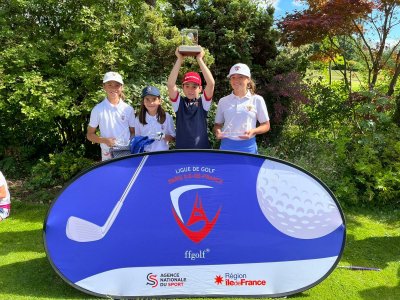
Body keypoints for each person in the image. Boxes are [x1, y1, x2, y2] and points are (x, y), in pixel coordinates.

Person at [214, 63, 270, 154]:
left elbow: (266, 125)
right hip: (226, 147)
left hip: (248, 147)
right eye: (233, 77)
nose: (236, 80)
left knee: (249, 169)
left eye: (240, 77)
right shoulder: (223, 101)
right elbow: (217, 125)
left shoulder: (257, 100)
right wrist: (218, 132)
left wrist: (253, 131)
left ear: (248, 79)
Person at [167, 47, 215, 149]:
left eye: (194, 87)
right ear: (182, 88)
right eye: (187, 86)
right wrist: (179, 59)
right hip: (182, 151)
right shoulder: (179, 103)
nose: (190, 89)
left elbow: (211, 84)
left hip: (202, 150)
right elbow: (171, 85)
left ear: (200, 89)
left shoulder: (204, 103)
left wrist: (200, 59)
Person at [87, 72, 135, 161]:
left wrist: (130, 145)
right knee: (111, 175)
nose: (113, 88)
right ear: (104, 87)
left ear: (122, 87)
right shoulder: (98, 109)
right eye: (109, 85)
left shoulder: (128, 109)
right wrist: (105, 140)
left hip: (127, 152)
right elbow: (90, 135)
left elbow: (133, 132)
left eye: (117, 85)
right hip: (107, 154)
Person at [133, 86, 176, 152]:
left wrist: (162, 136)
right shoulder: (139, 118)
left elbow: (173, 137)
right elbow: (137, 138)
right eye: (147, 99)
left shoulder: (167, 117)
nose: (151, 103)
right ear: (143, 102)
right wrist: (142, 140)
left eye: (154, 99)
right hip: (144, 154)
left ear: (159, 101)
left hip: (162, 153)